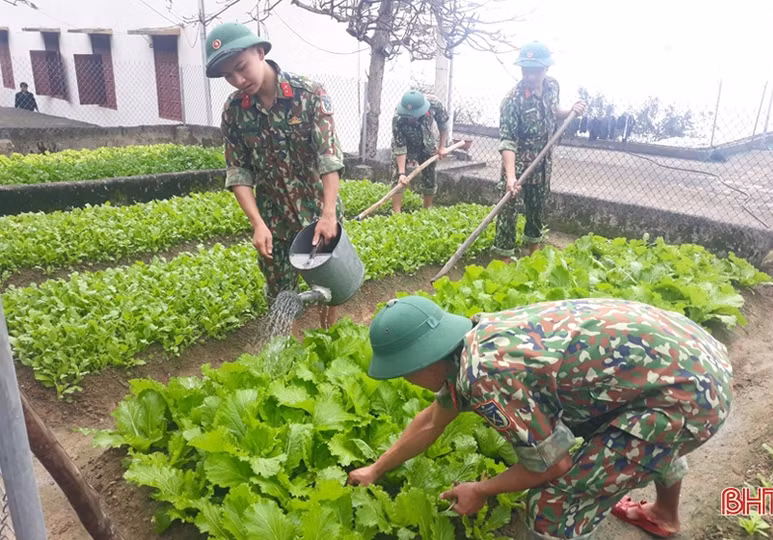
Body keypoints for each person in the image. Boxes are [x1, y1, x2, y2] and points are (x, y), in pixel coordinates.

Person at [348, 296, 732, 539]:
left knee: (552, 503)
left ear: (425, 359)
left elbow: (552, 465)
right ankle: (664, 515)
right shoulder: (474, 337)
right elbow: (433, 420)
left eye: (404, 370)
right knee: (631, 425)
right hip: (688, 357)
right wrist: (376, 469)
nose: (405, 378)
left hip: (688, 396)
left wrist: (480, 490)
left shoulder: (488, 378)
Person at [205, 23, 344, 328]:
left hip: (317, 214)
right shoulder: (234, 111)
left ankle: (327, 338)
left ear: (260, 51)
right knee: (279, 292)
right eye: (228, 76)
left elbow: (329, 158)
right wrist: (258, 223)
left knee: (326, 287)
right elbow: (238, 172)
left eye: (241, 68)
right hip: (272, 218)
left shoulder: (308, 94)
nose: (238, 80)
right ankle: (284, 351)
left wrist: (329, 213)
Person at [495, 42, 586, 261]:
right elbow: (507, 140)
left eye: (536, 71)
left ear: (546, 69)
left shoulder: (552, 86)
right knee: (508, 211)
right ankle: (504, 259)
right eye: (526, 70)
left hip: (543, 162)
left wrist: (570, 112)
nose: (531, 76)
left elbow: (553, 112)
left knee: (537, 208)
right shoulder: (512, 100)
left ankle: (533, 254)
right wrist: (511, 177)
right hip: (517, 164)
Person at [390, 90, 450, 212]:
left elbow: (443, 125)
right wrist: (402, 173)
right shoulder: (398, 117)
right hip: (406, 144)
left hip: (427, 144)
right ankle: (396, 215)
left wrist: (442, 146)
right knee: (397, 176)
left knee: (429, 175)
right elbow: (400, 146)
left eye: (413, 116)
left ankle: (426, 210)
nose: (410, 119)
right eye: (408, 116)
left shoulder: (435, 104)